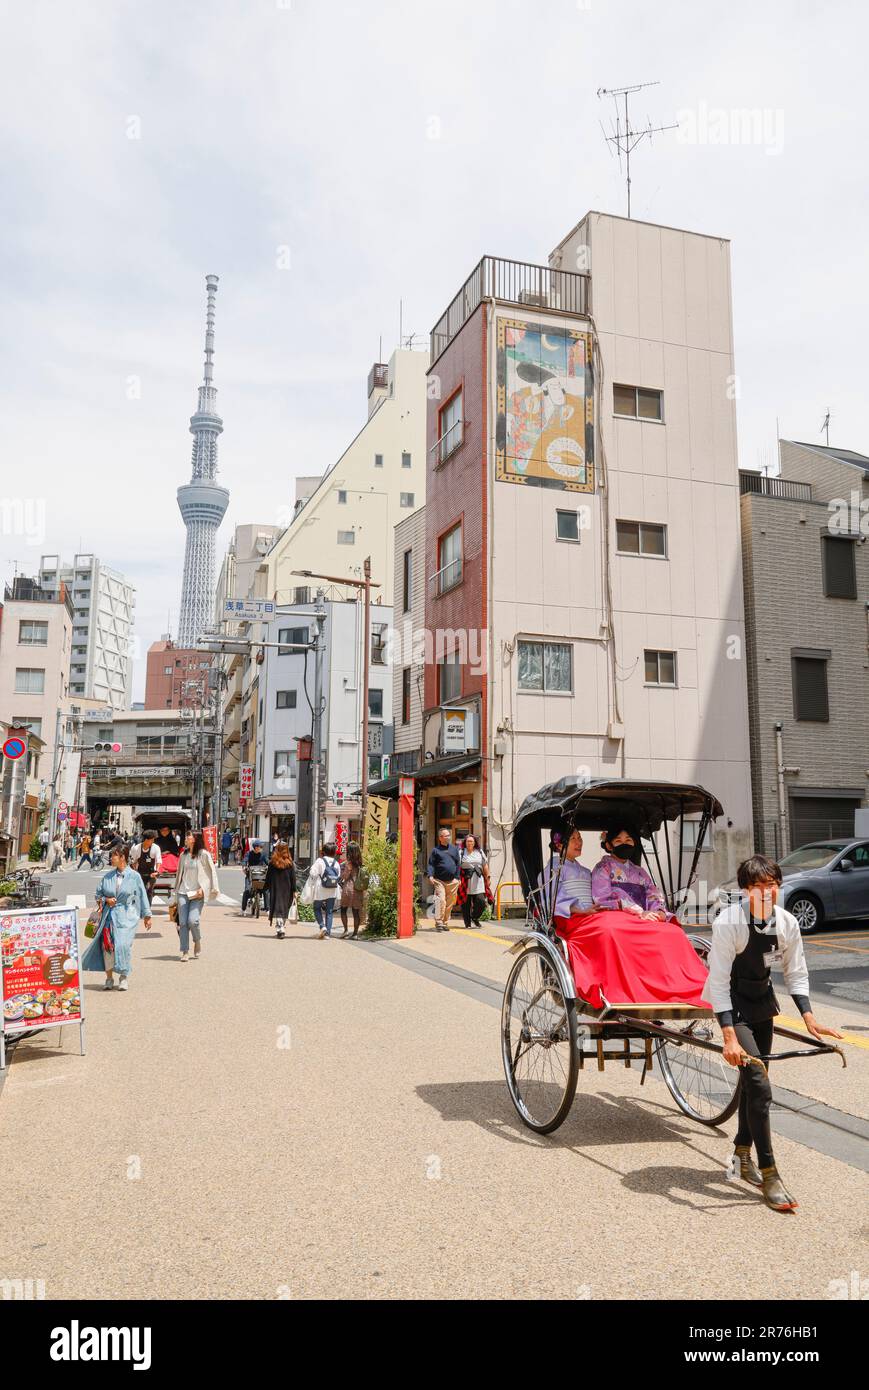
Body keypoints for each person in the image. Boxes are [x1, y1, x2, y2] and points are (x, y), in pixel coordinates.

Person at [703, 854, 842, 1213]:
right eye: (758, 886)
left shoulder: (787, 923)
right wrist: (729, 1036)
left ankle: (740, 1155)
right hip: (733, 1003)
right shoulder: (728, 923)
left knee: (753, 1086)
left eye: (772, 885)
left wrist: (809, 1016)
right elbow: (717, 983)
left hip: (762, 1003)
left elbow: (796, 973)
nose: (767, 892)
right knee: (761, 1086)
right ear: (746, 891)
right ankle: (770, 1173)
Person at [81, 844, 152, 990]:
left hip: (127, 915)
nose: (111, 858)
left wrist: (147, 915)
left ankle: (123, 976)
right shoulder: (108, 876)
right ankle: (109, 978)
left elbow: (142, 895)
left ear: (122, 857)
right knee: (108, 947)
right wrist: (106, 900)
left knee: (123, 945)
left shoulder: (134, 876)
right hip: (109, 916)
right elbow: (98, 894)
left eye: (114, 855)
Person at [591, 826, 667, 920]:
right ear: (609, 846)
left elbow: (652, 893)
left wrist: (658, 910)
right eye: (618, 841)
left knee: (672, 932)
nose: (624, 844)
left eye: (628, 840)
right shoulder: (602, 868)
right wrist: (639, 912)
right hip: (617, 918)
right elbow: (603, 899)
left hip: (646, 916)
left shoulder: (640, 871)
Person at [173, 830, 220, 962]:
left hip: (197, 893)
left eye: (188, 836)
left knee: (193, 921)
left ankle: (197, 940)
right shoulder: (184, 855)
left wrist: (205, 889)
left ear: (194, 839)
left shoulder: (204, 855)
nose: (186, 838)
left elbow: (211, 873)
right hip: (183, 891)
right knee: (182, 923)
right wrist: (176, 890)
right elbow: (179, 874)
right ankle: (185, 951)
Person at [538, 829, 596, 920]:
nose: (579, 842)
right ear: (559, 845)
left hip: (588, 914)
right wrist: (583, 911)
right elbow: (554, 903)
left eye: (579, 837)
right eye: (573, 838)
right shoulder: (553, 870)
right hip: (569, 917)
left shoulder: (586, 871)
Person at [426, 827, 461, 932]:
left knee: (450, 903)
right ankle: (439, 921)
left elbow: (458, 864)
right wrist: (430, 875)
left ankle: (445, 922)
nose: (448, 837)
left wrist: (457, 878)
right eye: (446, 836)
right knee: (441, 900)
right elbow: (431, 864)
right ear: (440, 838)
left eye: (449, 835)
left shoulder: (454, 849)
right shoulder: (435, 850)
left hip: (452, 881)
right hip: (439, 880)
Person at [309, 841, 341, 939]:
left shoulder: (320, 861)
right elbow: (338, 876)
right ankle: (327, 934)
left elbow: (313, 873)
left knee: (316, 908)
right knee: (329, 911)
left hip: (321, 889)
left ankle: (322, 926)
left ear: (324, 851)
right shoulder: (336, 863)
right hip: (332, 889)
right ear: (334, 852)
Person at [265, 842, 296, 938]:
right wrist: (294, 890)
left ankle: (280, 927)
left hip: (275, 887)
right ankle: (281, 926)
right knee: (284, 907)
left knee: (277, 906)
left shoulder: (272, 863)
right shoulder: (290, 863)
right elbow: (293, 878)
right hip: (287, 889)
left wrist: (266, 887)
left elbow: (268, 876)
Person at [458, 833, 490, 929]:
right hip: (465, 879)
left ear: (475, 842)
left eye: (471, 841)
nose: (469, 843)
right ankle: (467, 923)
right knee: (465, 903)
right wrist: (458, 878)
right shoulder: (461, 852)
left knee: (481, 902)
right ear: (465, 842)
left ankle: (475, 917)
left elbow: (485, 866)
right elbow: (457, 866)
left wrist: (487, 878)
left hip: (478, 879)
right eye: (468, 841)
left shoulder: (479, 852)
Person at [339, 841, 365, 938]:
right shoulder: (361, 863)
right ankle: (355, 934)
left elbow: (345, 877)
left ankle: (345, 930)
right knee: (356, 912)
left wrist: (343, 871)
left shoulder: (348, 863)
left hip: (349, 889)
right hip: (359, 889)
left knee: (343, 909)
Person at [129, 830, 162, 903]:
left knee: (149, 891)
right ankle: (141, 909)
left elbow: (158, 861)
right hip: (140, 873)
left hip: (152, 873)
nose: (153, 841)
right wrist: (135, 872)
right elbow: (133, 862)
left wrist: (156, 871)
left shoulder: (156, 848)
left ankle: (148, 911)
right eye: (152, 839)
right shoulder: (136, 848)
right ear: (147, 840)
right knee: (141, 891)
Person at [241, 840, 269, 915]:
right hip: (250, 875)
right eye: (260, 846)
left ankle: (267, 909)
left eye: (261, 847)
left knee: (266, 891)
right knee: (247, 891)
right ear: (255, 847)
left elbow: (267, 862)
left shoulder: (263, 854)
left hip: (261, 875)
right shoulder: (249, 854)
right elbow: (244, 860)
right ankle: (243, 909)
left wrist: (270, 867)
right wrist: (244, 866)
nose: (261, 848)